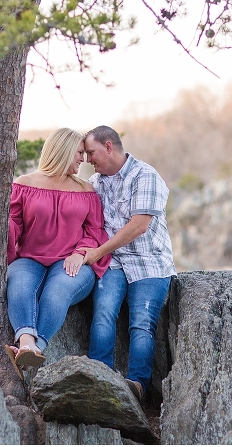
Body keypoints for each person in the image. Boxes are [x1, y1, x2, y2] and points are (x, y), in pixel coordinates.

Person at [4, 128, 111, 380]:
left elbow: (95, 231)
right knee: (18, 282)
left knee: (57, 290)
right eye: (79, 153)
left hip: (74, 262)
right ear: (63, 151)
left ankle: (34, 349)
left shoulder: (86, 191)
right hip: (30, 259)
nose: (83, 160)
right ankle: (27, 342)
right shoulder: (24, 184)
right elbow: (13, 225)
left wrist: (81, 253)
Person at [81, 125, 176, 401]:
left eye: (91, 153)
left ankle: (136, 387)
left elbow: (139, 226)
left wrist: (97, 253)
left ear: (108, 146)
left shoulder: (145, 176)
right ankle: (98, 380)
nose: (88, 160)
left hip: (150, 262)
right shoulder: (97, 184)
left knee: (142, 323)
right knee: (103, 314)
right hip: (114, 263)